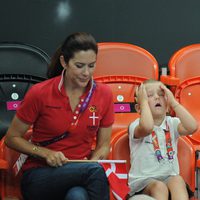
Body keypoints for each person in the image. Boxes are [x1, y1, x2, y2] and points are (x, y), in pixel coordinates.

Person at [5, 32, 114, 200]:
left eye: (91, 66)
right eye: (79, 66)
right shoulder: (40, 92)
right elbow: (11, 138)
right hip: (39, 174)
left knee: (77, 196)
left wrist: (95, 160)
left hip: (80, 171)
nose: (86, 73)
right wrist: (45, 153)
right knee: (95, 172)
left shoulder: (104, 94)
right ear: (64, 62)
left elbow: (104, 145)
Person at [128, 79, 198, 200]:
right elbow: (147, 127)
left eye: (161, 95)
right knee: (159, 187)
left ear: (167, 107)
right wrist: (143, 102)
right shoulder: (135, 125)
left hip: (169, 177)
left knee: (178, 180)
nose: (156, 97)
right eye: (149, 95)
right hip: (144, 182)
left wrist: (174, 103)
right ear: (139, 109)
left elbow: (192, 127)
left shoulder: (172, 123)